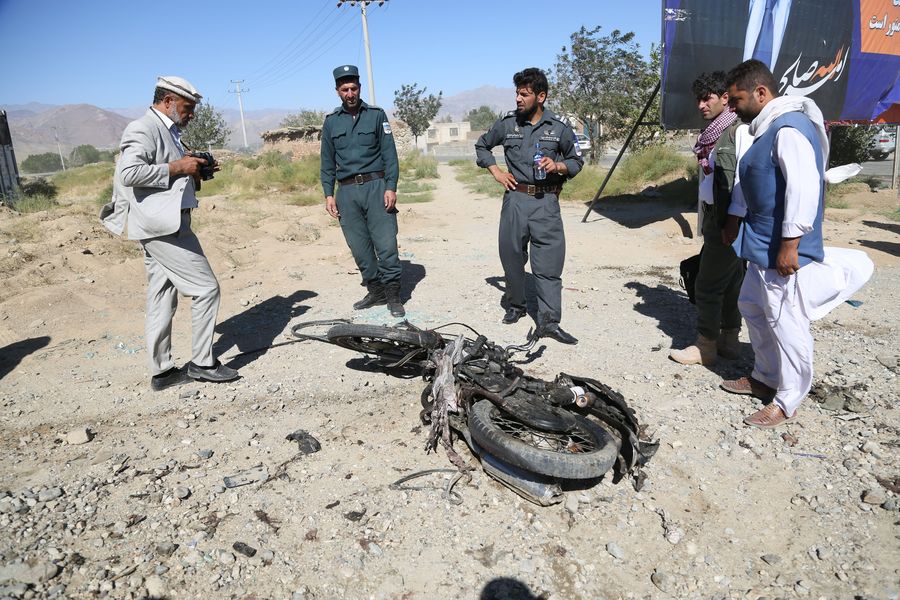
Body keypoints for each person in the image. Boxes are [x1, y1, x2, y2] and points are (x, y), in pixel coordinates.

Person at [719, 59, 872, 428]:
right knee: (752, 305)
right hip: (760, 243)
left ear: (760, 92)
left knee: (786, 321)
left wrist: (790, 243)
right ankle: (766, 376)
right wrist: (734, 218)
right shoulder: (765, 128)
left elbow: (804, 188)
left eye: (736, 100)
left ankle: (788, 399)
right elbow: (750, 179)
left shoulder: (789, 128)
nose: (733, 108)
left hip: (780, 246)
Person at [100, 76, 239, 391]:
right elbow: (128, 173)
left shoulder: (170, 132)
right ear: (167, 101)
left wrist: (197, 170)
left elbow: (169, 172)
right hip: (163, 227)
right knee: (206, 289)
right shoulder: (143, 128)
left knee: (161, 297)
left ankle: (162, 372)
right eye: (187, 108)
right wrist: (179, 168)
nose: (192, 114)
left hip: (165, 223)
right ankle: (203, 363)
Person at [474, 68, 584, 345]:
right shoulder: (507, 124)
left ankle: (549, 322)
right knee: (511, 256)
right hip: (515, 199)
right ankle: (516, 306)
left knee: (548, 263)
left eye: (524, 94)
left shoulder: (559, 128)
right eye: (517, 93)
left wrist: (557, 166)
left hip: (546, 202)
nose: (518, 99)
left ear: (541, 96)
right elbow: (482, 146)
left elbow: (576, 161)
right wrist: (497, 172)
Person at [670, 72, 749, 366]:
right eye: (698, 100)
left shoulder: (736, 132)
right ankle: (730, 341)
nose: (701, 105)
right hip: (721, 218)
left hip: (728, 220)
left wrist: (731, 221)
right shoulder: (715, 134)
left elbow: (740, 181)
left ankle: (706, 345)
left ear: (725, 98)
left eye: (707, 99)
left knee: (707, 284)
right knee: (731, 282)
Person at [320, 64, 403, 317]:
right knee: (359, 246)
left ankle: (393, 295)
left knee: (386, 243)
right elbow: (327, 162)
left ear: (359, 88)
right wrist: (328, 194)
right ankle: (376, 291)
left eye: (353, 88)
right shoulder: (331, 122)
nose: (350, 94)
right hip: (346, 193)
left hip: (376, 187)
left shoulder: (376, 115)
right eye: (345, 89)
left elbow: (390, 155)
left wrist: (391, 187)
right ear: (337, 91)